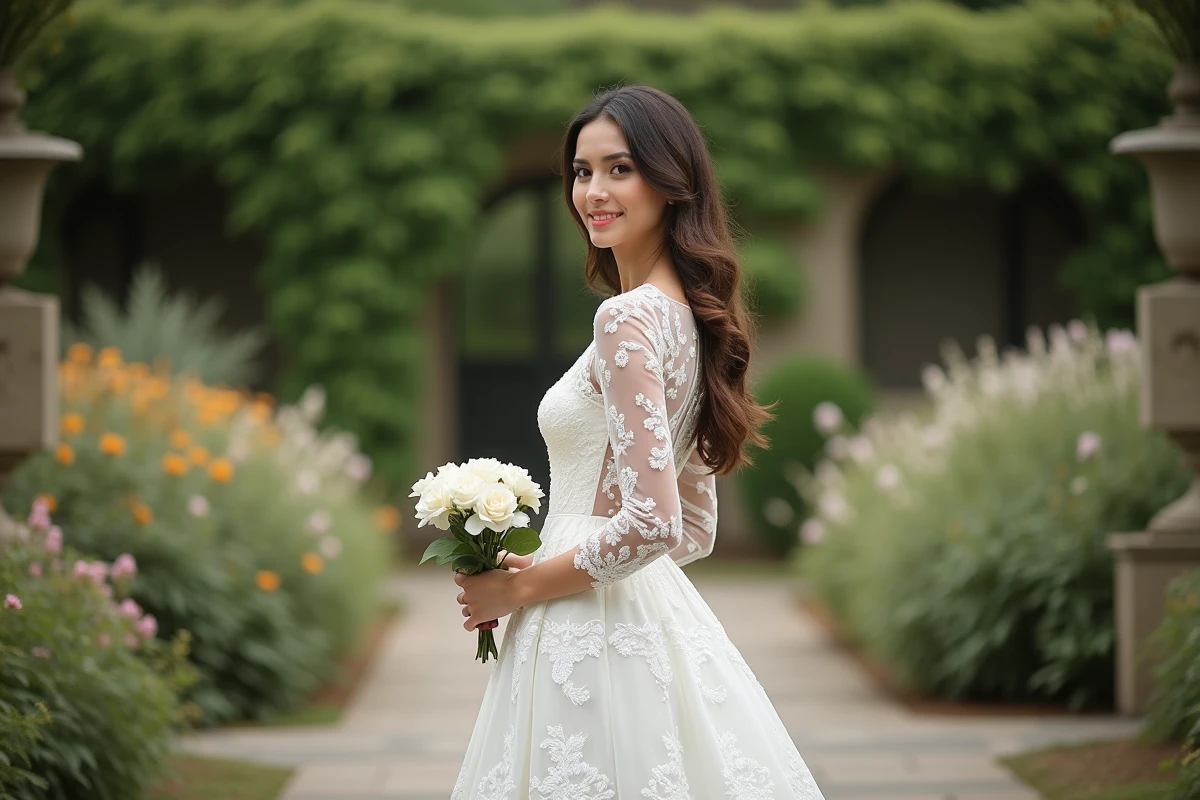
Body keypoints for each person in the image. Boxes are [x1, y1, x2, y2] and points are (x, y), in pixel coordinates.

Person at [450, 84, 825, 798]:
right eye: (582, 171)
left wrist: (524, 583)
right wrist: (550, 564)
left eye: (619, 169)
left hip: (580, 631)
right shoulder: (688, 317)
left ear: (671, 181)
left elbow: (655, 523)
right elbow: (695, 531)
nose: (594, 190)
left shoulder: (626, 320)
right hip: (628, 612)